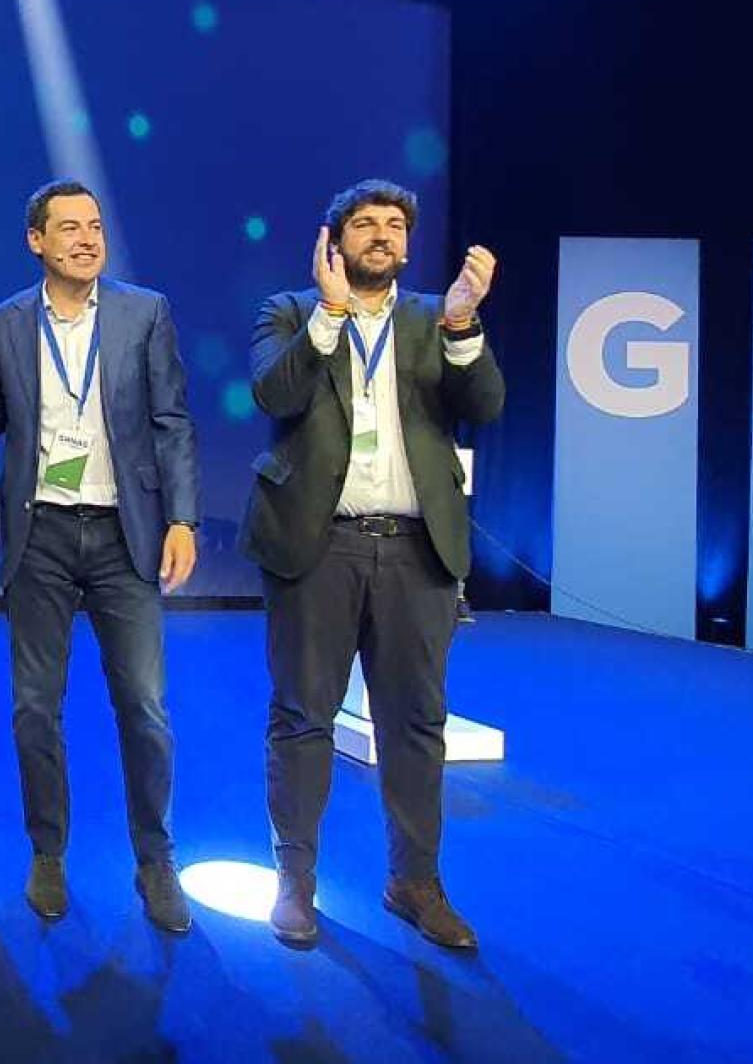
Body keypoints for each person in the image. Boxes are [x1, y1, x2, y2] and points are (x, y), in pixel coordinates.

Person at [240, 179, 503, 950]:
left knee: (417, 724)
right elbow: (272, 392)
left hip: (418, 551)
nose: (382, 235)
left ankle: (414, 882)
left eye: (395, 226)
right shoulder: (289, 311)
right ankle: (295, 883)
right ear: (335, 240)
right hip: (316, 546)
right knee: (301, 718)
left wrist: (463, 323)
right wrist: (329, 313)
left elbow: (484, 403)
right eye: (365, 224)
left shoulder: (435, 319)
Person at [0, 179, 201, 935]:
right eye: (67, 228)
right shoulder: (2, 324)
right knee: (34, 709)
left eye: (95, 226)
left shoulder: (145, 312)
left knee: (144, 709)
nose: (85, 238)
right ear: (36, 241)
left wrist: (183, 518)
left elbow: (173, 421)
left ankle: (155, 858)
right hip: (39, 536)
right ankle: (48, 853)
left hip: (124, 536)